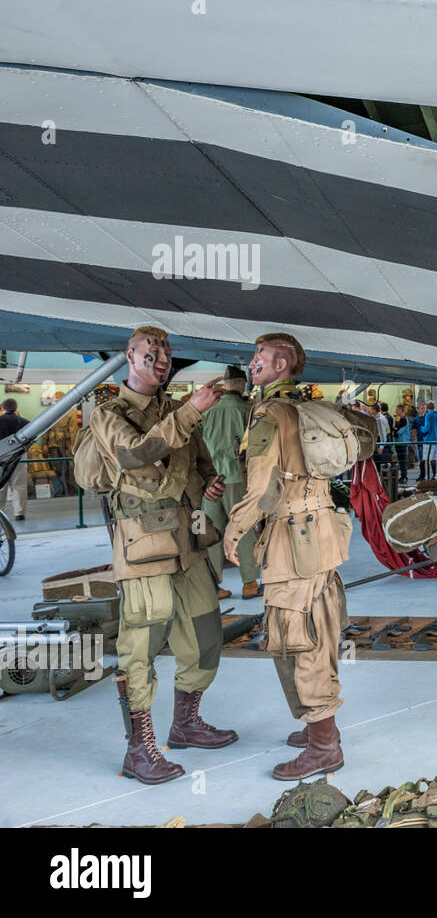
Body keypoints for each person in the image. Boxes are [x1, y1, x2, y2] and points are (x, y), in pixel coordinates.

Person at [89, 326, 237, 784]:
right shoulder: (108, 412)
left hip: (186, 537)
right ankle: (140, 749)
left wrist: (209, 483)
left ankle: (186, 723)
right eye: (150, 352)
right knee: (142, 641)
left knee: (205, 628)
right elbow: (135, 454)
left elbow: (201, 464)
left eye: (167, 352)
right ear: (129, 358)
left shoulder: (175, 410)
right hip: (143, 542)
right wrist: (191, 411)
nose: (161, 359)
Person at [224, 333, 351, 780]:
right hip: (322, 536)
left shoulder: (269, 414)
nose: (252, 363)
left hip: (291, 544)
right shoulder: (306, 408)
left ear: (280, 364)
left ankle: (323, 745)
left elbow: (259, 488)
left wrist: (233, 529)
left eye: (260, 357)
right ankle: (318, 727)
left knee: (300, 639)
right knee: (322, 629)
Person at [200, 365, 260, 600]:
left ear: (225, 384)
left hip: (210, 480)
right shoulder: (248, 409)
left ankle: (213, 586)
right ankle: (250, 583)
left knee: (212, 533)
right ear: (243, 383)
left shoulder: (208, 410)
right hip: (237, 478)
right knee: (242, 529)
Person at [0, 398, 30, 521]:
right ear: (15, 408)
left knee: (1, 485)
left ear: (3, 408)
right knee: (20, 485)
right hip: (20, 456)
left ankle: (0, 512)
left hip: (2, 455)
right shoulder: (24, 422)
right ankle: (19, 513)